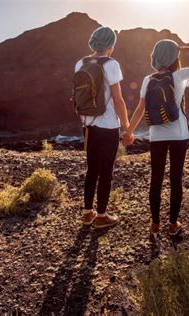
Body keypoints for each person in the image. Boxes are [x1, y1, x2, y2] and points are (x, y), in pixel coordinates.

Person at [123, 39, 189, 236]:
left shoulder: (148, 79)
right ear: (174, 57)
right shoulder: (180, 75)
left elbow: (140, 109)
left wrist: (129, 131)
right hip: (178, 134)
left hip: (156, 134)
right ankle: (173, 225)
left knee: (155, 179)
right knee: (176, 179)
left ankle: (155, 224)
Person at [74, 26, 131, 228]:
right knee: (106, 171)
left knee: (92, 168)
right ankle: (102, 216)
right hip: (107, 126)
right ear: (110, 45)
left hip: (88, 124)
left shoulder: (80, 63)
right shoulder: (111, 64)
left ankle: (87, 213)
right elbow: (118, 99)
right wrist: (127, 127)